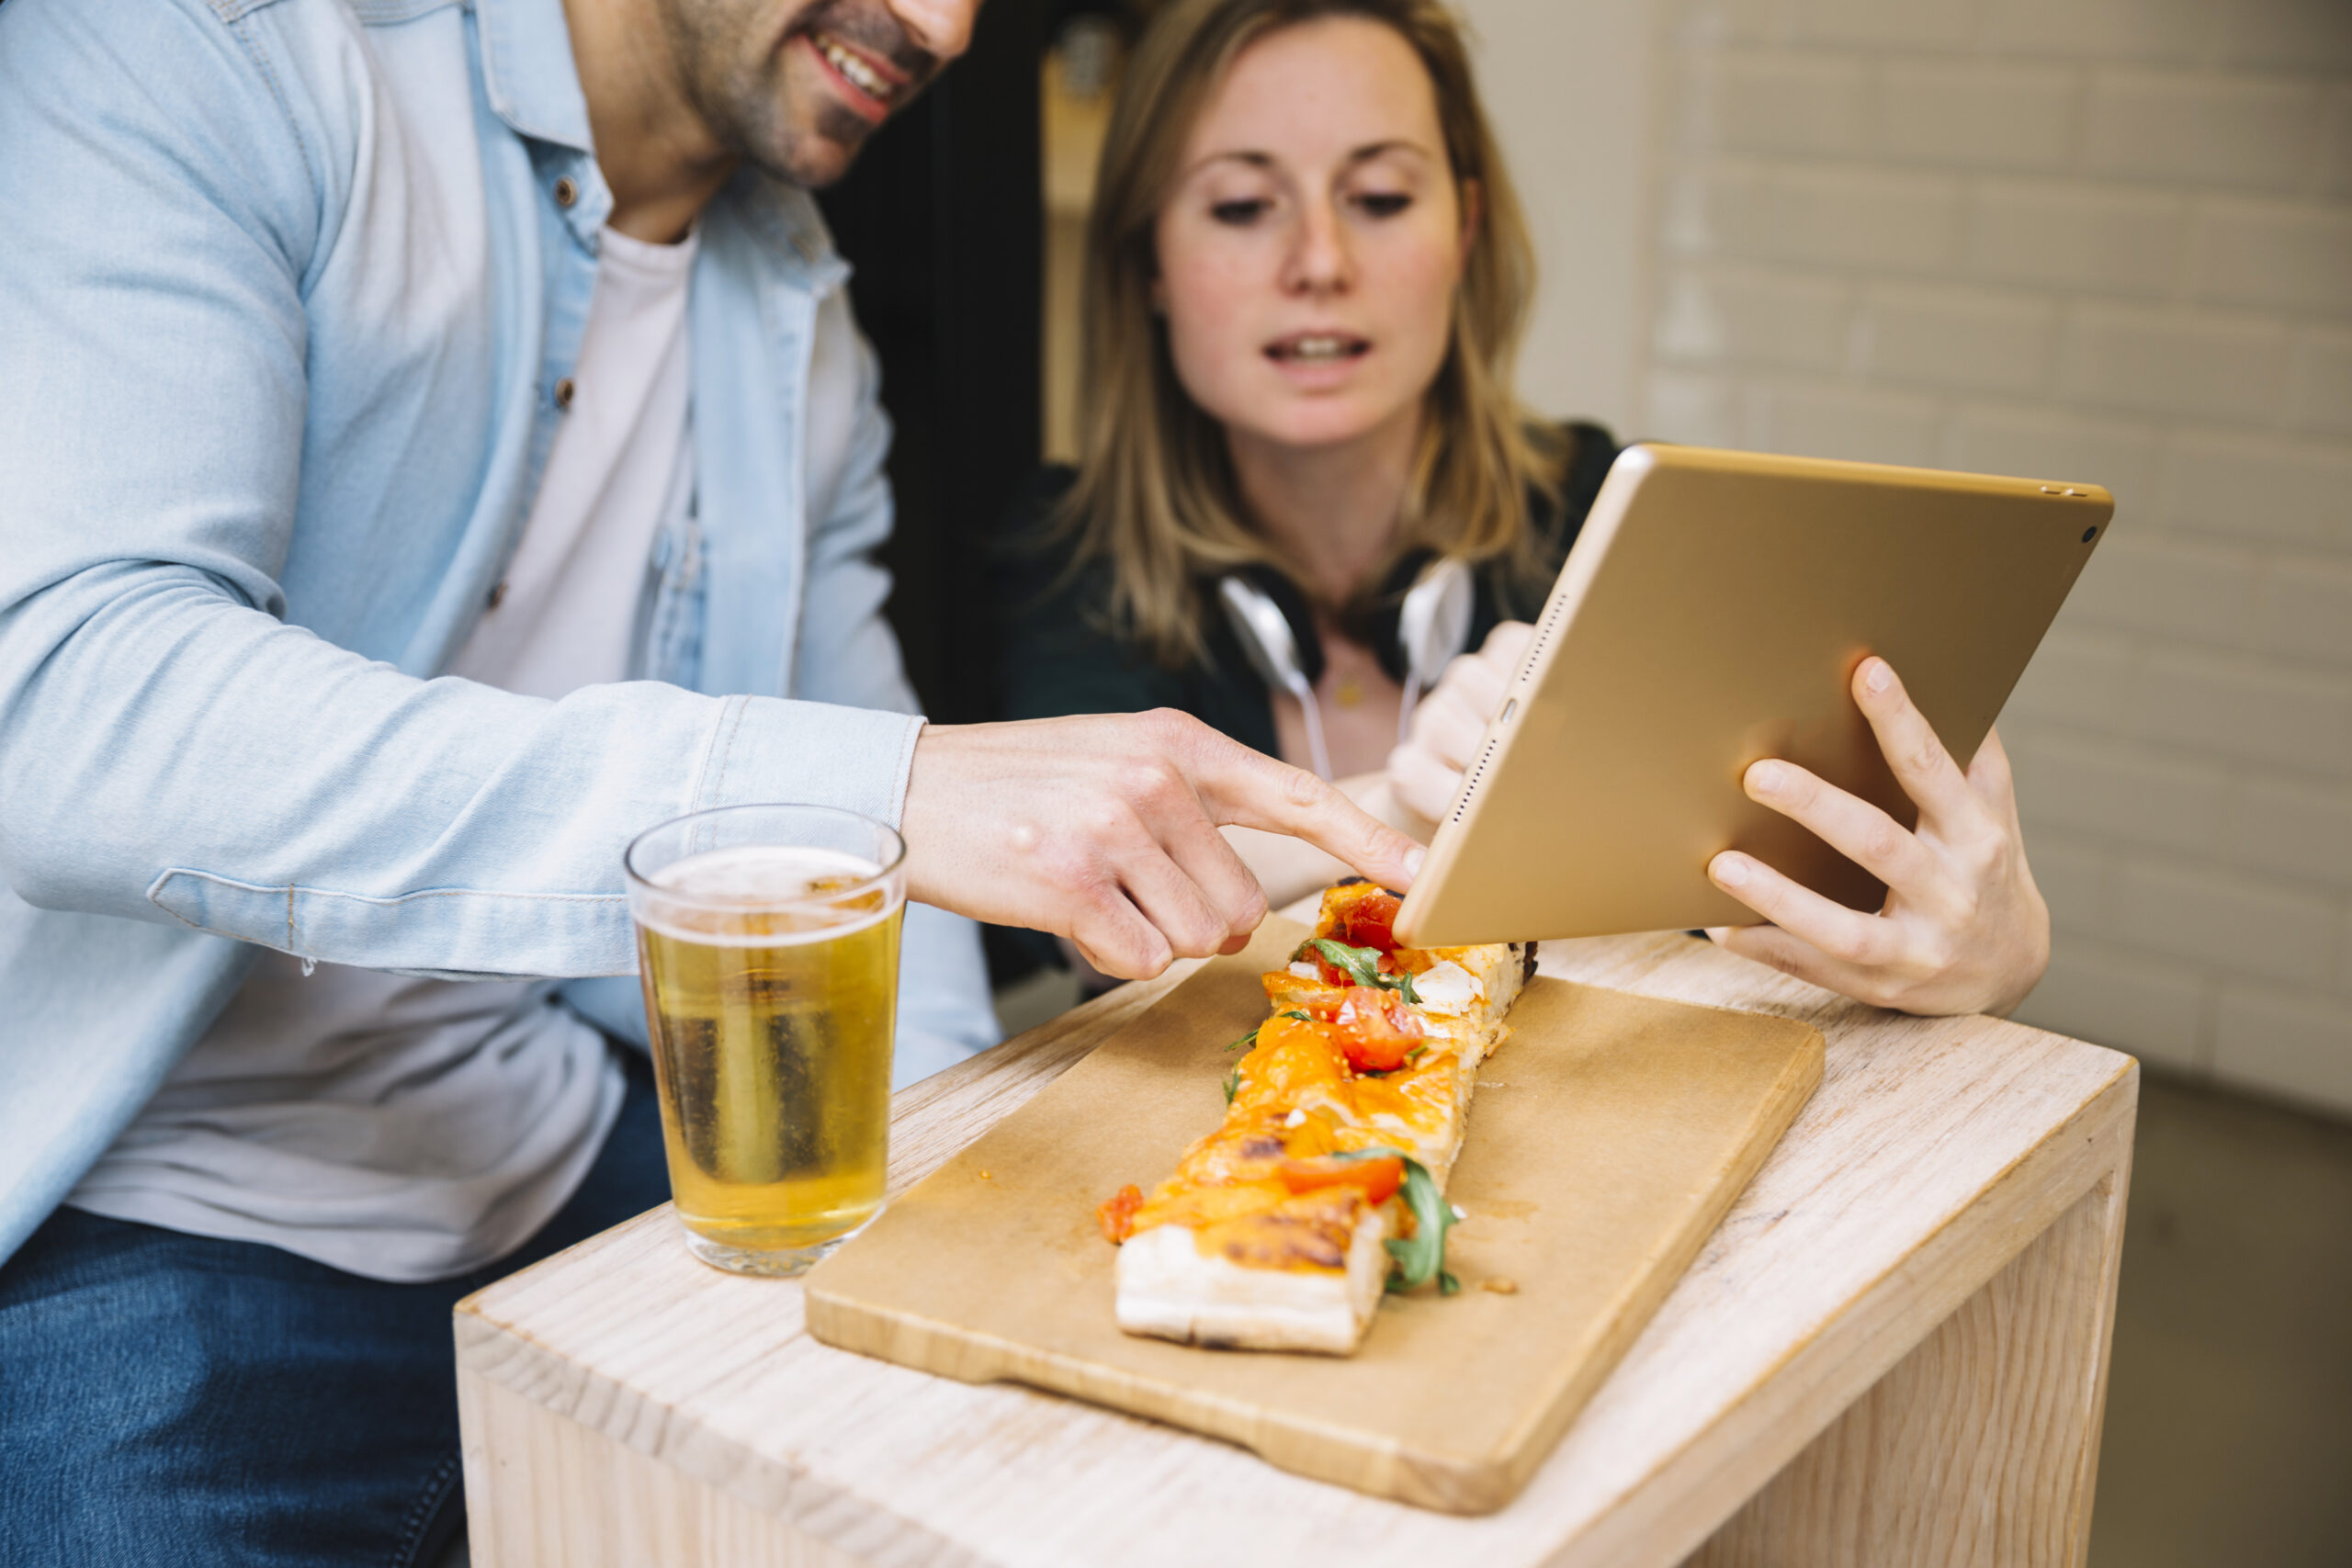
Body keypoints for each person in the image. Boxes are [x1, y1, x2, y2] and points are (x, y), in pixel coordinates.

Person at [0, 0, 1423, 1558]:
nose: (943, 25)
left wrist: (952, 1203)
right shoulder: (211, 50)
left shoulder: (800, 319)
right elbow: (72, 715)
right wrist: (875, 790)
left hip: (574, 1158)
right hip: (147, 1223)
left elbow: (909, 952)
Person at [997, 0, 2050, 1021]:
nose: (1319, 263)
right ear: (1147, 262)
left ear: (1464, 229)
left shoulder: (1603, 509)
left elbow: (1771, 902)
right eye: (1240, 207)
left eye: (1377, 198)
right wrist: (1420, 807)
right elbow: (1082, 903)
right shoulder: (1060, 550)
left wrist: (1991, 949)